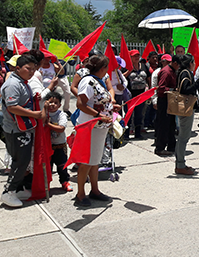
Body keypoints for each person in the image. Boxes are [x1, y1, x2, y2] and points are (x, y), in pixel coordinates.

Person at [0, 54, 46, 208]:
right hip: (15, 129)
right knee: (20, 161)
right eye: (28, 68)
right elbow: (12, 107)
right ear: (18, 68)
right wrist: (34, 114)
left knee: (23, 161)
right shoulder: (13, 84)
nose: (31, 71)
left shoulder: (23, 82)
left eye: (34, 69)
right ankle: (8, 191)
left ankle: (17, 189)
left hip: (23, 127)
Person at [75, 55, 119, 207]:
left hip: (100, 128)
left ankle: (95, 190)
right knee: (86, 162)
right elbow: (81, 104)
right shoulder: (87, 81)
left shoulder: (98, 81)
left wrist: (111, 108)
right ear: (102, 69)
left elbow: (99, 100)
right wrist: (99, 115)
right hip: (90, 127)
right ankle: (80, 193)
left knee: (95, 161)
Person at [174, 54, 199, 175]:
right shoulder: (185, 74)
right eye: (193, 62)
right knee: (183, 137)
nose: (195, 64)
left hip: (187, 108)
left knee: (183, 137)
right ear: (190, 63)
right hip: (186, 108)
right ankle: (180, 165)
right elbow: (186, 90)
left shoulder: (184, 73)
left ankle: (181, 163)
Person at [43, 91, 72, 191]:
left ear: (60, 105)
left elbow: (61, 128)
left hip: (59, 145)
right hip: (47, 145)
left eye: (55, 103)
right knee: (47, 167)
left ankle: (65, 181)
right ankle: (47, 184)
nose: (52, 105)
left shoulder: (61, 115)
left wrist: (48, 124)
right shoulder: (43, 113)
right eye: (50, 102)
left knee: (62, 166)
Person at [154, 55, 179, 156]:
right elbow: (161, 88)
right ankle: (160, 147)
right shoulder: (166, 72)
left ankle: (171, 146)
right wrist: (172, 90)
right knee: (163, 125)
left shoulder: (172, 71)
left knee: (171, 125)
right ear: (175, 63)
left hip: (170, 101)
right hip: (164, 101)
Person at [125, 49, 150, 139]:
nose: (136, 57)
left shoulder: (143, 66)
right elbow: (121, 77)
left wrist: (149, 90)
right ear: (130, 57)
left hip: (141, 95)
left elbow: (148, 78)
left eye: (138, 56)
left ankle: (138, 133)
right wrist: (129, 71)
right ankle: (126, 134)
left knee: (139, 114)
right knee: (129, 115)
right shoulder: (126, 66)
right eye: (134, 56)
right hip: (129, 96)